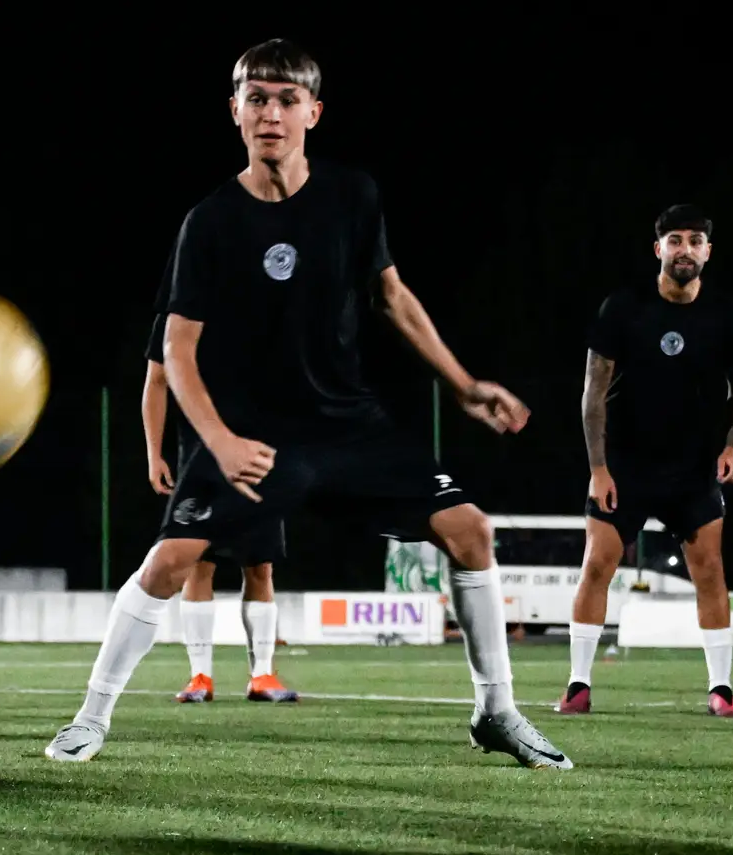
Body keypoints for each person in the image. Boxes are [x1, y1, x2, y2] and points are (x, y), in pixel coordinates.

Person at [45, 38, 570, 769]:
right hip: (251, 435)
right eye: (256, 99)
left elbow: (393, 298)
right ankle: (90, 718)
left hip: (348, 427)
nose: (271, 114)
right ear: (234, 111)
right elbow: (176, 352)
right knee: (169, 566)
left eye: (287, 100)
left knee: (470, 531)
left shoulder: (353, 196)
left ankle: (497, 713)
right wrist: (220, 442)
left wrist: (462, 383)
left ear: (313, 113)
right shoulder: (211, 222)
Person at [559, 205, 733, 718]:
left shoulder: (726, 314)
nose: (684, 248)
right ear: (658, 249)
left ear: (708, 251)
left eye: (694, 240)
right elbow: (592, 393)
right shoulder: (622, 308)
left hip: (692, 470)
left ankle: (722, 689)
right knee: (598, 563)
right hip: (624, 465)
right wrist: (598, 467)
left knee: (709, 571)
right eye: (674, 239)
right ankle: (578, 685)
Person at [141, 250, 296, 704]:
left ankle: (262, 676)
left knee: (260, 564)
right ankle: (200, 677)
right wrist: (155, 454)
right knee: (197, 564)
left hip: (260, 457)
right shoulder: (176, 314)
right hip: (200, 461)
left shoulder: (267, 309)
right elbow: (155, 382)